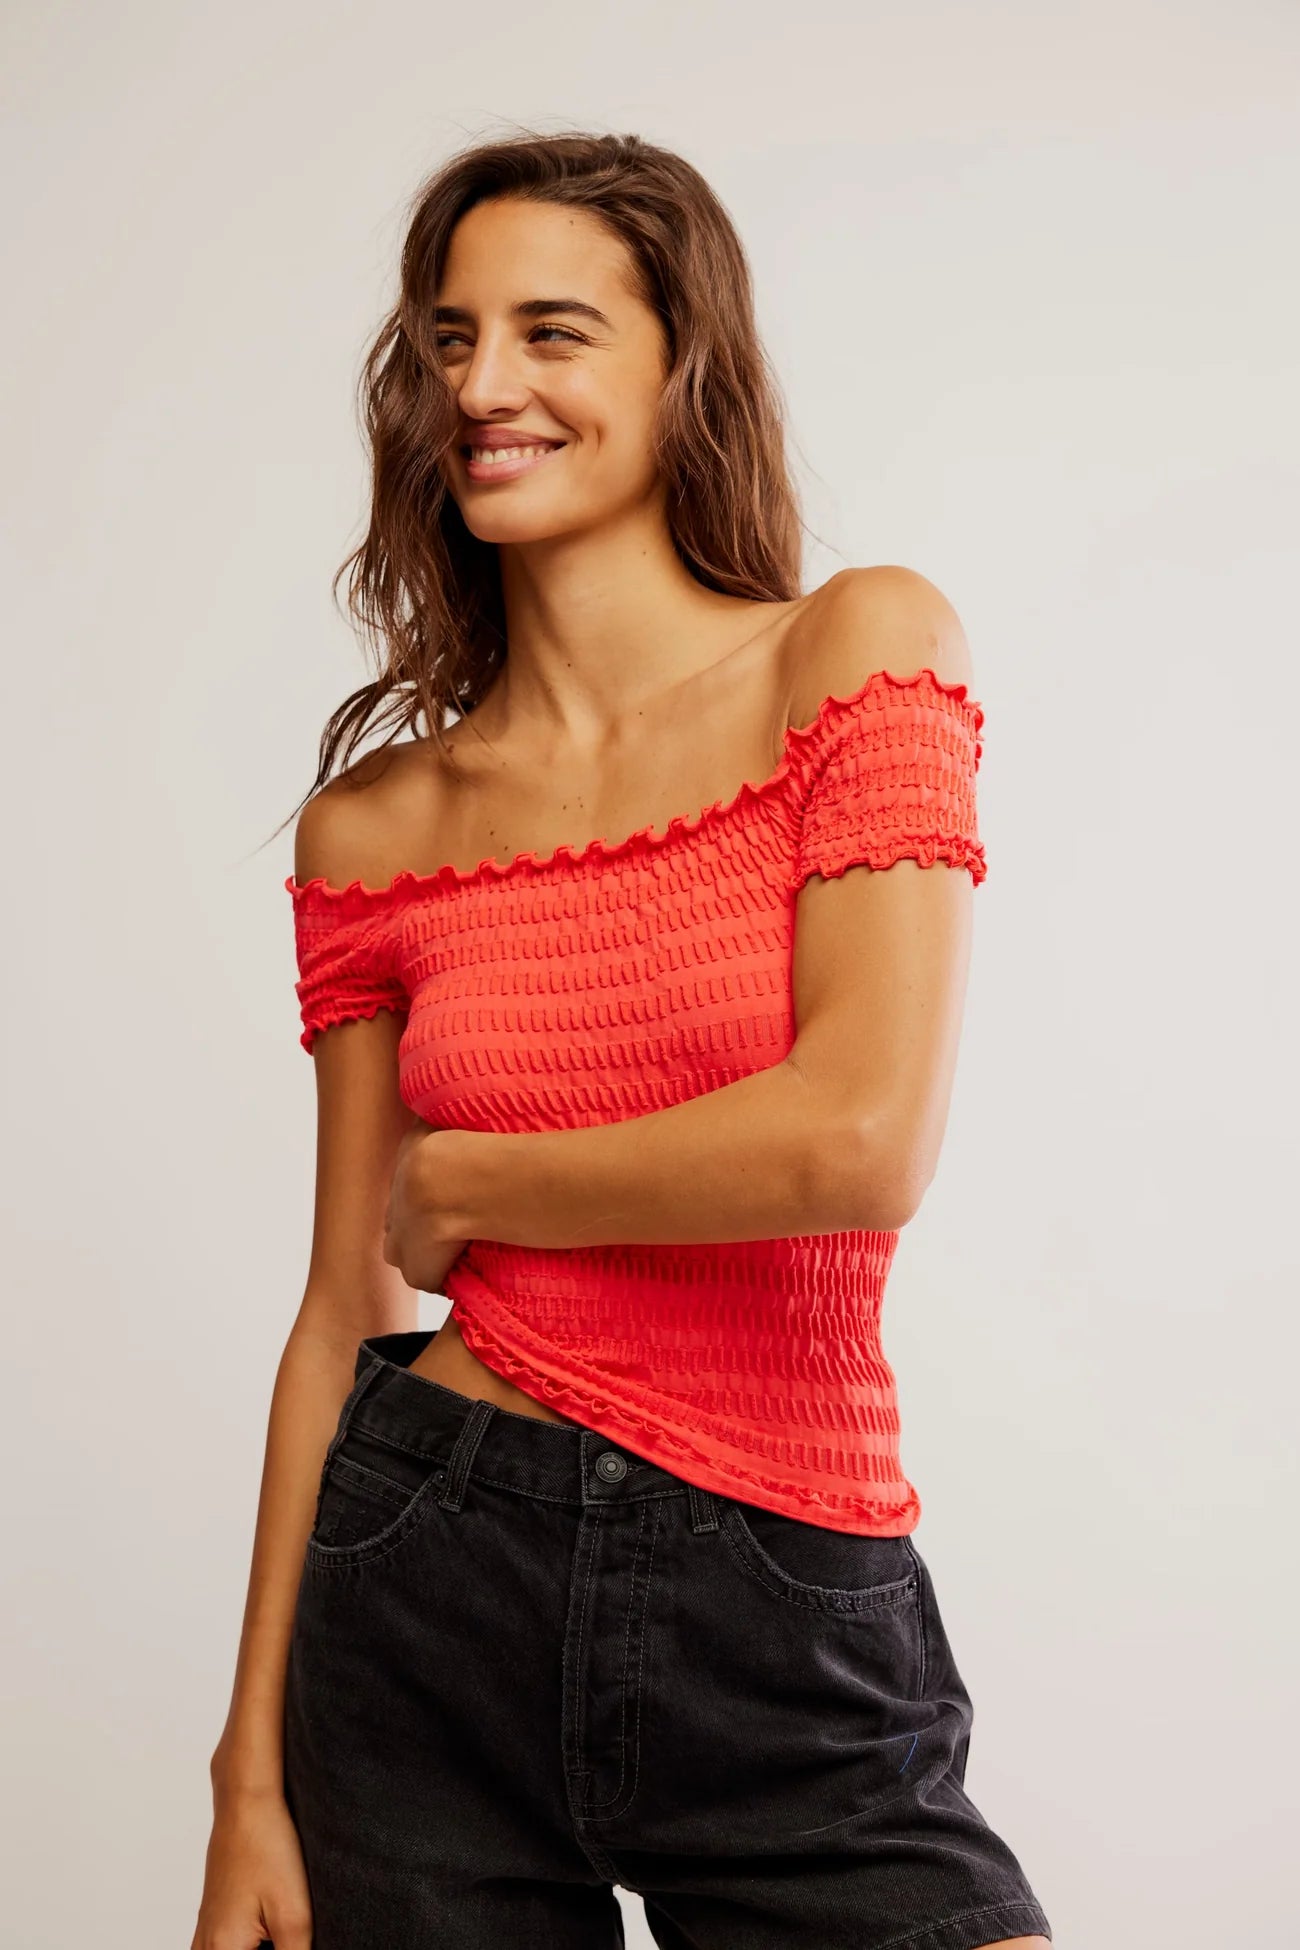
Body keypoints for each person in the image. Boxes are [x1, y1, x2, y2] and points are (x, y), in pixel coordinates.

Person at [194, 130, 1053, 1950]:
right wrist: (245, 1776)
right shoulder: (377, 827)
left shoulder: (854, 655)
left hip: (782, 1588)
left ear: (684, 367)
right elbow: (344, 1304)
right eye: (449, 340)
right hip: (423, 1584)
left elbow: (860, 1138)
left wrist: (482, 1181)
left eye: (552, 331)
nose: (481, 387)